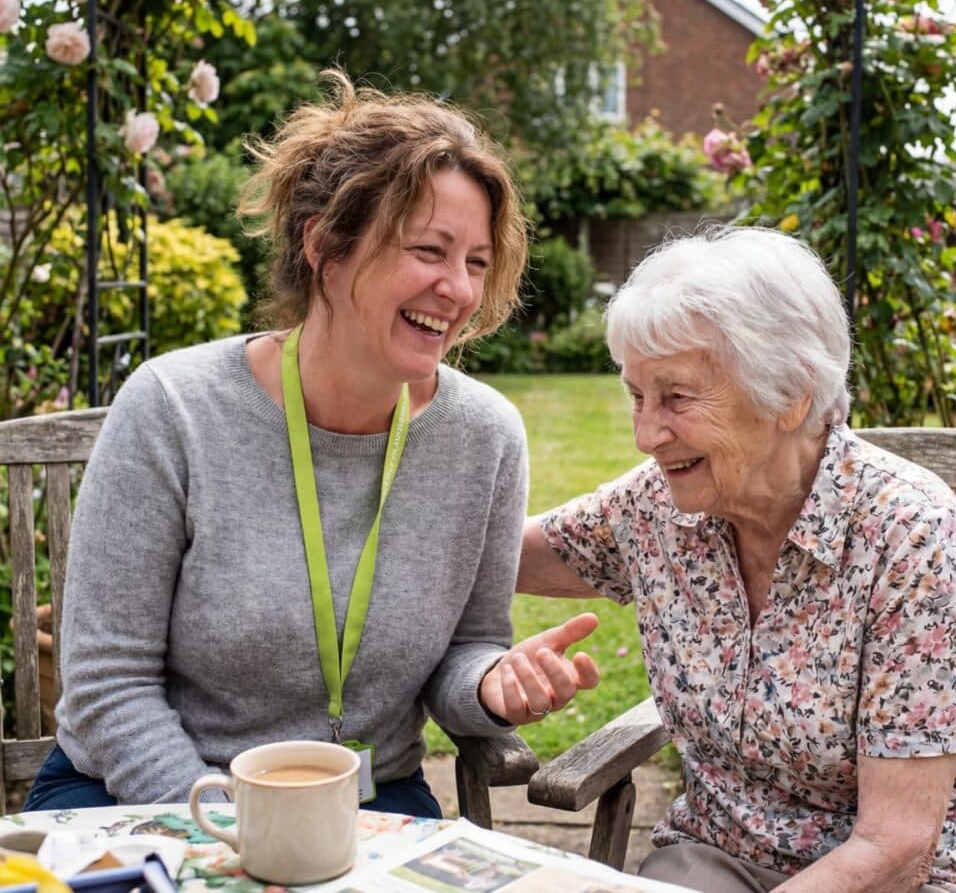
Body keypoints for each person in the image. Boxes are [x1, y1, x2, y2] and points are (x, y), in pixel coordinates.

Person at [25, 70, 599, 815]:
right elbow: (106, 687)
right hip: (147, 797)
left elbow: (467, 650)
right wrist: (234, 823)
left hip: (365, 806)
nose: (458, 289)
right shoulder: (174, 409)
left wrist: (493, 685)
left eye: (477, 262)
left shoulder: (484, 437)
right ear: (326, 244)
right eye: (430, 250)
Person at [518, 226, 956, 892]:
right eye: (637, 395)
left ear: (791, 395)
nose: (646, 433)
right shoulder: (659, 505)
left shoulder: (908, 534)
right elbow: (510, 554)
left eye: (676, 397)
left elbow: (897, 845)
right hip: (720, 856)